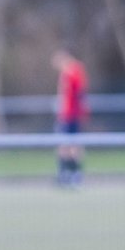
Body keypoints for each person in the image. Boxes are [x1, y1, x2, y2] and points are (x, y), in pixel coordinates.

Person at [52, 48, 89, 187]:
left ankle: (74, 175)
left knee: (72, 145)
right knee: (64, 145)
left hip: (71, 116)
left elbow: (80, 93)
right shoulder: (67, 72)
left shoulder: (73, 70)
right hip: (66, 115)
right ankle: (66, 174)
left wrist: (79, 111)